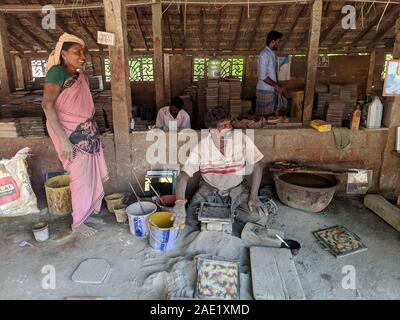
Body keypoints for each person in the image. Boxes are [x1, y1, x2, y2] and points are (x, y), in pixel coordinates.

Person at [42, 33, 108, 237]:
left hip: (87, 133)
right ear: (63, 53)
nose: (82, 56)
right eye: (77, 52)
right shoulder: (56, 73)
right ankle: (78, 222)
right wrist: (64, 140)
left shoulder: (80, 77)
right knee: (79, 178)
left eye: (84, 53)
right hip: (70, 136)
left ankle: (88, 211)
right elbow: (47, 105)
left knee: (90, 175)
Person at [171, 107, 267, 227]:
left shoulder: (242, 139)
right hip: (209, 190)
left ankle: (226, 213)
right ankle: (227, 214)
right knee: (190, 219)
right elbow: (183, 176)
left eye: (229, 125)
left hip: (236, 190)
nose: (229, 129)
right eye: (224, 126)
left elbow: (258, 165)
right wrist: (179, 202)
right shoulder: (202, 147)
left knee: (259, 217)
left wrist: (253, 197)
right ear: (212, 130)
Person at [256, 30, 286, 116]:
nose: (279, 44)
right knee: (264, 117)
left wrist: (278, 86)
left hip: (270, 90)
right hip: (264, 90)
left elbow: (271, 74)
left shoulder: (271, 54)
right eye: (278, 41)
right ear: (272, 41)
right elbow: (262, 76)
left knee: (272, 115)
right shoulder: (264, 55)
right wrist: (276, 86)